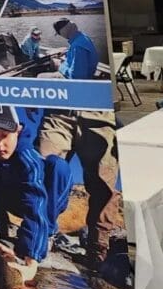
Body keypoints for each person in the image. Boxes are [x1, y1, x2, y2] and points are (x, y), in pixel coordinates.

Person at [0, 105, 70, 288]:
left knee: (58, 166)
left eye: (5, 135)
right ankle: (0, 229)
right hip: (7, 197)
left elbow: (36, 202)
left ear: (17, 130)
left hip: (39, 200)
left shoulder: (27, 156)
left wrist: (32, 261)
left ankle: (46, 234)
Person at [36, 106, 120, 269]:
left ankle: (97, 250)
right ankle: (41, 236)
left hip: (101, 114)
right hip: (58, 107)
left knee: (103, 186)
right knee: (43, 170)